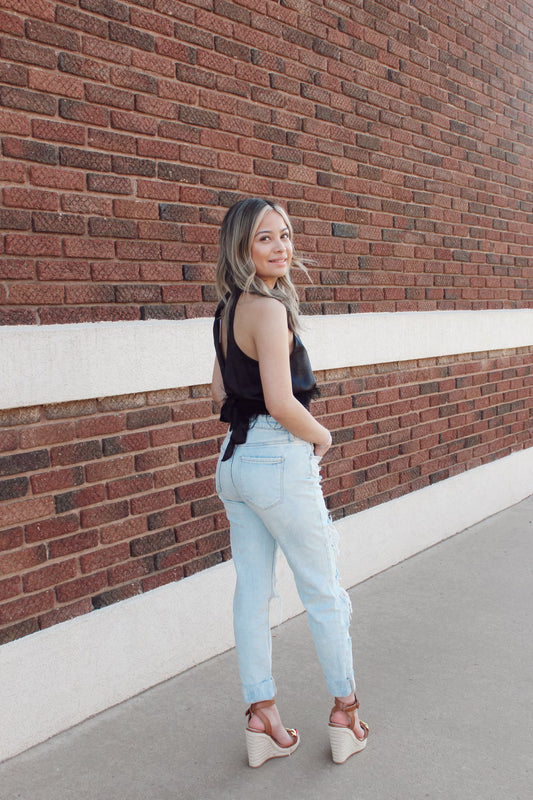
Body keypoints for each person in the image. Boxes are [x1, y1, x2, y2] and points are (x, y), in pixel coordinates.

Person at [212, 197, 369, 767]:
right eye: (265, 238)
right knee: (323, 589)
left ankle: (263, 717)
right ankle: (347, 713)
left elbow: (217, 393)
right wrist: (321, 436)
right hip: (277, 458)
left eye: (285, 235)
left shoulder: (227, 310)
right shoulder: (269, 310)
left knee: (252, 595)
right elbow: (281, 402)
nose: (281, 247)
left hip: (233, 461)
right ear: (241, 247)